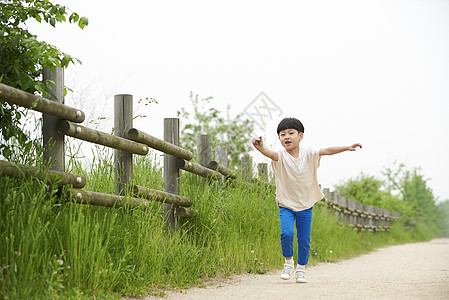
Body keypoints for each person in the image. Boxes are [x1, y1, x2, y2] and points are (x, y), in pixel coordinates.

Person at [252, 117, 362, 283]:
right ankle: (288, 263)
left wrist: (346, 147)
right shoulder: (280, 156)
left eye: (291, 133)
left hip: (305, 205)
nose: (286, 137)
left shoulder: (309, 153)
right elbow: (270, 153)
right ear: (279, 139)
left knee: (304, 239)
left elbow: (327, 150)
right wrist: (261, 149)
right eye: (282, 134)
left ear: (300, 136)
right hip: (286, 205)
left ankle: (301, 269)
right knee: (286, 233)